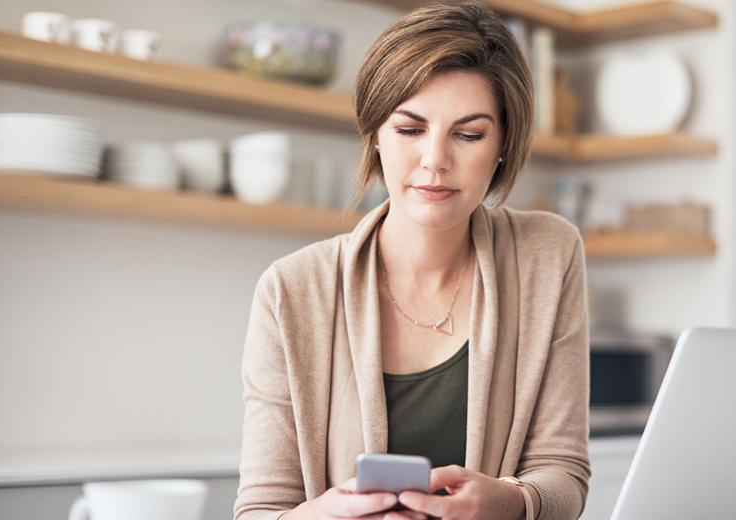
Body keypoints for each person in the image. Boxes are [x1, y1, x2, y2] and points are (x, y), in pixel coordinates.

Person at [233, 2, 590, 519]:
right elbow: (260, 512)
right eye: (409, 129)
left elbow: (564, 474)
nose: (435, 160)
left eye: (468, 134)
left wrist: (512, 502)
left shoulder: (547, 256)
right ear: (375, 135)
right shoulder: (291, 290)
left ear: (503, 147)